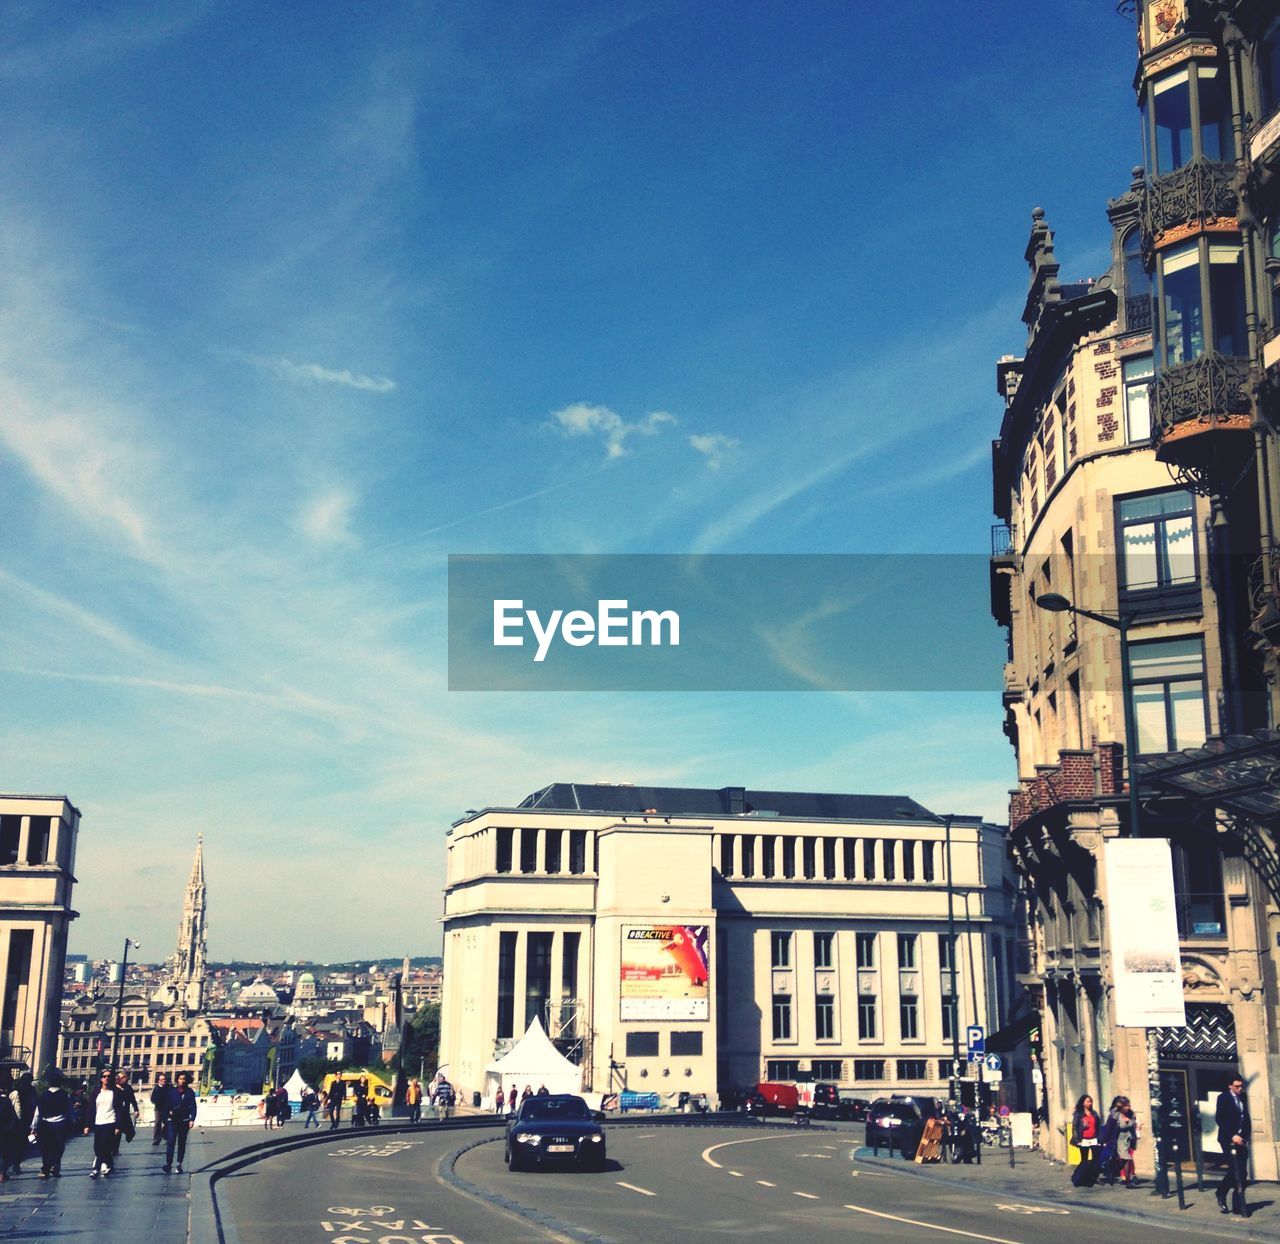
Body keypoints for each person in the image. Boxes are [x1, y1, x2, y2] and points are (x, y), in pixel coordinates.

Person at [1216, 1074, 1250, 1217]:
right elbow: (1220, 1119)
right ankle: (1221, 1192)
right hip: (1228, 1140)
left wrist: (1245, 1136)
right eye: (1237, 1086)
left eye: (1241, 1086)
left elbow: (1246, 1118)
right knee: (1235, 1170)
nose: (1239, 1089)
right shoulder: (1223, 1098)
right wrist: (1232, 1135)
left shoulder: (1243, 1097)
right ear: (1230, 1086)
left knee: (1243, 1174)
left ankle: (1238, 1206)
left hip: (1241, 1139)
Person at [85, 1069, 127, 1178]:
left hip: (110, 1121)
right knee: (97, 1146)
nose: (106, 1078)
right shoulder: (96, 1092)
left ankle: (96, 1169)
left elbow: (119, 1110)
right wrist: (87, 1125)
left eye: (109, 1076)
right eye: (104, 1076)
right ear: (101, 1078)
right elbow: (90, 1109)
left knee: (102, 1146)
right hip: (98, 1122)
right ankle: (110, 1164)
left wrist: (118, 1126)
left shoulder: (115, 1092)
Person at [33, 1069, 70, 1179]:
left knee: (46, 1147)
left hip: (45, 1124)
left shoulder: (43, 1095)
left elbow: (37, 1112)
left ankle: (45, 1167)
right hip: (60, 1124)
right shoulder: (64, 1095)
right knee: (58, 1147)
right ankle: (55, 1166)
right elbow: (69, 1110)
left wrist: (33, 1126)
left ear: (48, 1082)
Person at [162, 1071, 198, 1174]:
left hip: (184, 1120)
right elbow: (166, 1106)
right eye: (180, 1079)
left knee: (182, 1143)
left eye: (184, 1079)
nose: (182, 1081)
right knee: (171, 1142)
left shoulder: (190, 1092)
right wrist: (164, 1120)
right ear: (177, 1079)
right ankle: (168, 1164)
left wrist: (192, 1119)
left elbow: (193, 1106)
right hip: (172, 1121)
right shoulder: (172, 1091)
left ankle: (179, 1164)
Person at [1070, 1093, 1103, 1188]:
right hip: (1083, 1139)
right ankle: (1080, 1177)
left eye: (1091, 1101)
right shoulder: (1079, 1114)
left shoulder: (1094, 1113)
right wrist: (1078, 1138)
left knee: (1095, 1160)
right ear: (1083, 1103)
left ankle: (1094, 1177)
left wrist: (1100, 1138)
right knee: (1084, 1160)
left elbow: (1098, 1126)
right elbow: (1075, 1127)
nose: (1090, 1103)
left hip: (1093, 1139)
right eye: (1088, 1101)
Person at [112, 1070, 138, 1156]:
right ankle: (114, 1150)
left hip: (125, 1113)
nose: (122, 1079)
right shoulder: (114, 1088)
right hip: (115, 1113)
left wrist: (136, 1109)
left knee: (130, 1132)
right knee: (117, 1132)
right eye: (120, 1078)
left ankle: (117, 1147)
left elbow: (133, 1100)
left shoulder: (128, 1088)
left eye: (123, 1077)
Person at [150, 1073, 170, 1146]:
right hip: (158, 1108)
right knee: (158, 1122)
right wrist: (157, 1103)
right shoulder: (156, 1088)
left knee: (167, 1123)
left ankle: (167, 1138)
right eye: (161, 1080)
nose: (163, 1081)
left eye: (164, 1079)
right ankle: (157, 1139)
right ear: (158, 1081)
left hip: (167, 1108)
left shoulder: (169, 1087)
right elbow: (152, 1099)